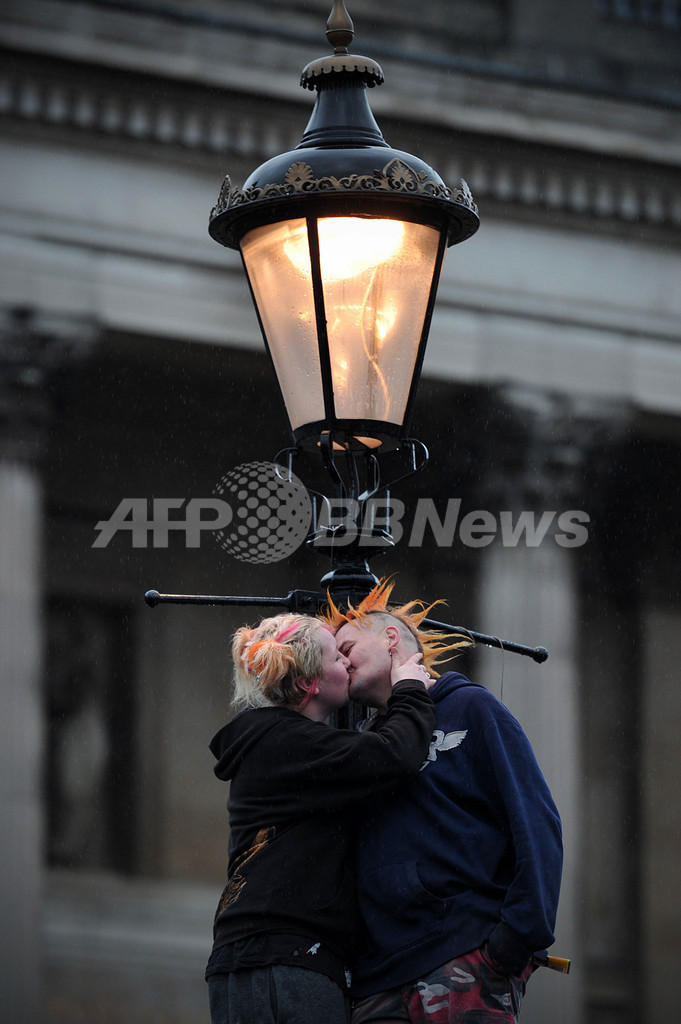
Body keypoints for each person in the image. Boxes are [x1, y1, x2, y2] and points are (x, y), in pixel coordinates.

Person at [324, 579, 563, 1024]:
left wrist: (512, 943)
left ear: (390, 638)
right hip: (377, 982)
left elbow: (536, 824)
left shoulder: (471, 708)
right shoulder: (370, 747)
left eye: (348, 647)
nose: (340, 662)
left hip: (463, 959)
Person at [205, 611, 436, 1024]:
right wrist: (410, 690)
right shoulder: (290, 742)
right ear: (308, 683)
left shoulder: (277, 740)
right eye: (336, 657)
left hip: (256, 955)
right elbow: (394, 755)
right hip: (286, 955)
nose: (347, 662)